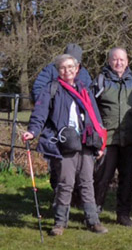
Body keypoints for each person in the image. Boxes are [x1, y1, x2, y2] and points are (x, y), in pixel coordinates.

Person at [23, 53, 108, 236]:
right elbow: (40, 113)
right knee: (65, 182)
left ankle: (93, 220)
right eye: (63, 67)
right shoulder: (52, 89)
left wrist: (100, 143)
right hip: (64, 142)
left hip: (85, 142)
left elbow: (95, 117)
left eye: (71, 67)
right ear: (58, 70)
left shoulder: (84, 90)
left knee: (87, 182)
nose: (67, 70)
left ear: (77, 69)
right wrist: (33, 131)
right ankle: (60, 222)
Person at [31, 43, 93, 197]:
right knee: (58, 162)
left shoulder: (84, 74)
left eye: (76, 62)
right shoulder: (51, 70)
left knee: (79, 167)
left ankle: (74, 197)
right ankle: (58, 192)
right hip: (56, 126)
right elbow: (38, 89)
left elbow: (89, 96)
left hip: (77, 128)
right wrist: (52, 105)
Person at [93, 47, 132, 226]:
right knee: (102, 177)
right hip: (108, 140)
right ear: (109, 61)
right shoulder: (100, 81)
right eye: (115, 59)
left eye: (122, 59)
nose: (118, 62)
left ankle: (123, 214)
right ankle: (95, 211)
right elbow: (92, 109)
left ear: (127, 61)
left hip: (130, 140)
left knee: (127, 179)